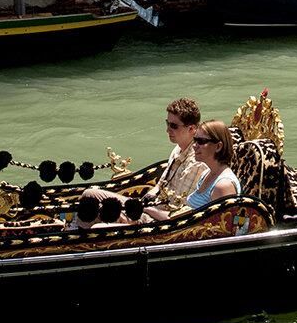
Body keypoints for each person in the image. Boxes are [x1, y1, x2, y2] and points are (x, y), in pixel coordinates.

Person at [75, 97, 209, 228]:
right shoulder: (178, 148)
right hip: (150, 207)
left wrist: (146, 209)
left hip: (157, 221)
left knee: (95, 224)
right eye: (167, 124)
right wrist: (151, 194)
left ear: (191, 129)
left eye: (173, 126)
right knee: (90, 195)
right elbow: (161, 183)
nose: (168, 130)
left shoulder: (196, 164)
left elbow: (179, 214)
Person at [143, 120, 240, 220]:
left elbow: (222, 230)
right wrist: (149, 210)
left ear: (218, 146)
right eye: (195, 140)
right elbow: (186, 218)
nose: (194, 146)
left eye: (201, 141)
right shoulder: (206, 174)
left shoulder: (223, 186)